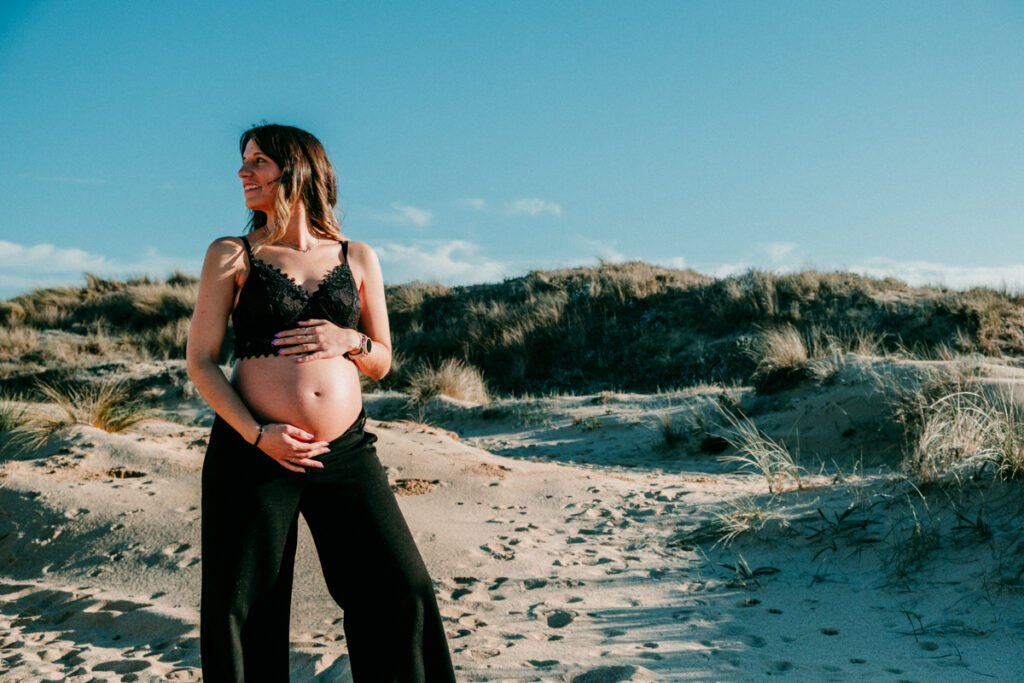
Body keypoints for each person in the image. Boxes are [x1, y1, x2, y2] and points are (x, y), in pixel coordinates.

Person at [186, 123, 456, 682]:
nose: (243, 172)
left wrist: (349, 341)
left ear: (298, 168)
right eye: (244, 161)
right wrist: (259, 435)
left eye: (258, 161)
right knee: (244, 611)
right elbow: (202, 363)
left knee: (401, 590)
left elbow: (383, 359)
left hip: (346, 451)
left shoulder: (357, 256)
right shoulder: (232, 254)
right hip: (254, 452)